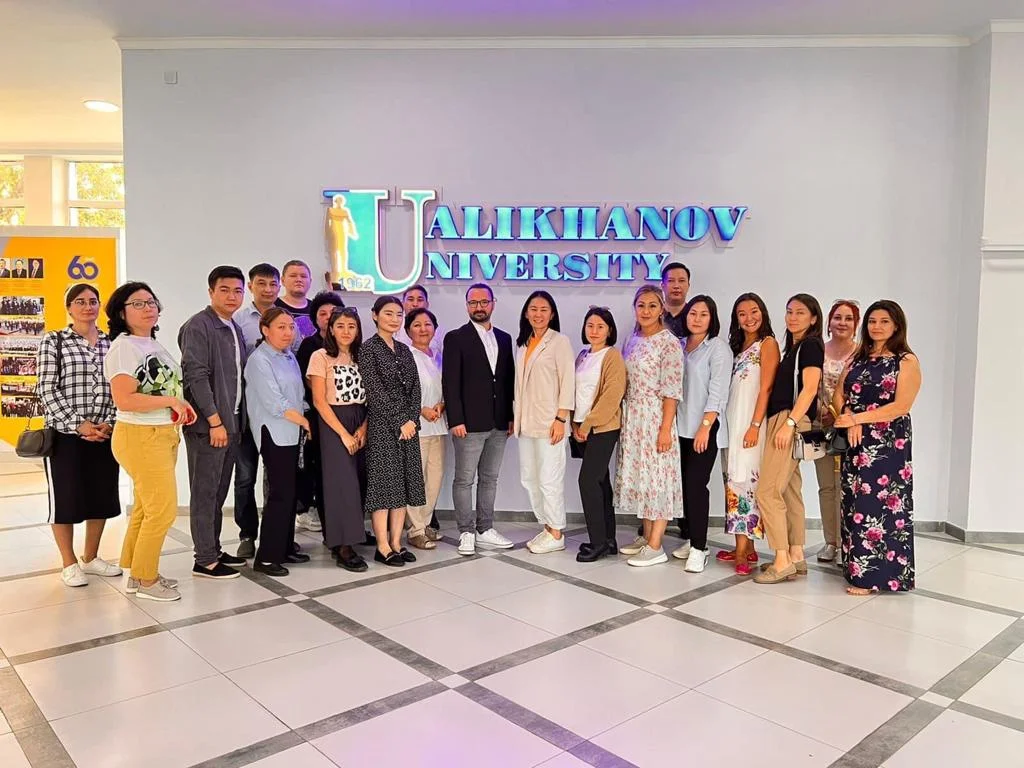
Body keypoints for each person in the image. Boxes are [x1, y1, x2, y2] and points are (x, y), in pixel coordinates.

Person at [105, 282, 196, 602]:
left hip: (160, 433)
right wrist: (171, 402)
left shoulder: (149, 343)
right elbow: (125, 399)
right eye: (138, 303)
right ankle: (146, 580)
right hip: (140, 436)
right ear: (121, 313)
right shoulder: (124, 347)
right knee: (163, 511)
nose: (148, 308)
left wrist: (179, 404)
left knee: (147, 508)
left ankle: (137, 572)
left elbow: (161, 389)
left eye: (151, 302)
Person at [37, 284, 121, 588]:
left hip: (105, 432)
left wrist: (108, 422)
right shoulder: (54, 341)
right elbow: (46, 389)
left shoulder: (112, 343)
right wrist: (79, 424)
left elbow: (121, 386)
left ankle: (91, 557)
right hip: (65, 434)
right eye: (80, 301)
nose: (88, 306)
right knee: (66, 499)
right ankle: (69, 563)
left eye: (93, 301)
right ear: (69, 307)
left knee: (102, 496)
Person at [833, 300, 920, 595]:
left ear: (896, 326)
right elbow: (838, 394)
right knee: (854, 503)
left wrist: (857, 418)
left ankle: (876, 578)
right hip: (856, 442)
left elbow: (901, 406)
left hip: (888, 443)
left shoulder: (905, 361)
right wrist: (849, 416)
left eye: (884, 321)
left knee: (880, 506)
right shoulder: (858, 357)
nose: (877, 326)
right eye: (872, 321)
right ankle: (856, 570)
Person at [178, 266, 249, 580]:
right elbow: (195, 376)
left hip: (231, 423)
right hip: (210, 426)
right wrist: (214, 421)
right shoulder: (199, 325)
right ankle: (204, 560)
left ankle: (214, 549)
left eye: (237, 290)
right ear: (211, 292)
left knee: (218, 492)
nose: (232, 296)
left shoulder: (232, 326)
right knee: (205, 493)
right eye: (225, 290)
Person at [753, 294, 824, 585]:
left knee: (767, 492)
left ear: (814, 318)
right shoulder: (795, 347)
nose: (793, 317)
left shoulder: (810, 345)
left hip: (788, 420)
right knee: (790, 491)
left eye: (800, 312)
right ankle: (796, 555)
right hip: (786, 420)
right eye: (789, 312)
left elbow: (810, 388)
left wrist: (790, 423)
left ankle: (781, 561)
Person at [442, 283, 516, 556]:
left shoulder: (505, 338)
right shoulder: (456, 338)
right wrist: (455, 419)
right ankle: (466, 532)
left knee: (490, 478)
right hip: (469, 424)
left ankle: (485, 529)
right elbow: (450, 381)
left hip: (499, 423)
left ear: (493, 304)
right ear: (466, 306)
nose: (479, 307)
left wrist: (510, 417)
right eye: (473, 303)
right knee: (464, 479)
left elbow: (507, 381)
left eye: (484, 302)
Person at [617, 286, 685, 565]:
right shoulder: (632, 339)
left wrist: (665, 429)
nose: (646, 311)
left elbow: (672, 390)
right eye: (641, 305)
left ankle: (656, 546)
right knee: (642, 478)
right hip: (634, 418)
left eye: (652, 306)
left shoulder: (668, 343)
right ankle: (646, 537)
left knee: (658, 479)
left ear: (662, 309)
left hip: (656, 417)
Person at [359, 296, 426, 567]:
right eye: (388, 313)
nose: (395, 319)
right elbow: (374, 391)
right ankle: (382, 546)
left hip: (408, 428)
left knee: (403, 485)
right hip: (382, 426)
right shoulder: (368, 349)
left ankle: (397, 542)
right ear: (375, 315)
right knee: (384, 487)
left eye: (399, 314)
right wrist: (400, 421)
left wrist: (411, 421)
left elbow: (416, 388)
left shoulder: (404, 349)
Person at [244, 308, 311, 577]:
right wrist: (304, 421)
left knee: (290, 492)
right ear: (265, 330)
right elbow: (275, 403)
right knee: (280, 494)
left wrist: (305, 416)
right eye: (281, 327)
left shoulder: (288, 356)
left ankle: (285, 547)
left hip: (292, 432)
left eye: (290, 327)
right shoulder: (259, 360)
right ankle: (267, 557)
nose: (287, 332)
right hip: (274, 432)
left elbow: (298, 394)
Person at [719, 293, 779, 575]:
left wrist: (755, 426)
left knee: (745, 483)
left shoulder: (767, 344)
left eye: (754, 311)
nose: (749, 318)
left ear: (763, 313)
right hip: (732, 425)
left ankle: (743, 550)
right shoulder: (737, 347)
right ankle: (745, 546)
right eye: (742, 313)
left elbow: (766, 388)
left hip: (750, 425)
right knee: (732, 480)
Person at [674, 295, 733, 573]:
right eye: (692, 313)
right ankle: (690, 538)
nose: (696, 319)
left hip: (704, 429)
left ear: (712, 319)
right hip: (678, 427)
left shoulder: (717, 348)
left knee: (696, 486)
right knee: (683, 486)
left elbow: (718, 392)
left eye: (703, 314)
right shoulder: (679, 345)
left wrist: (705, 427)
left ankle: (700, 548)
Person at [308, 307, 369, 572]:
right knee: (342, 484)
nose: (346, 331)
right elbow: (319, 401)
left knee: (360, 480)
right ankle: (343, 546)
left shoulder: (362, 356)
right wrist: (343, 433)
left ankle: (352, 535)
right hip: (333, 421)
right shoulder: (320, 356)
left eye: (351, 326)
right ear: (331, 329)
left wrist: (364, 428)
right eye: (341, 326)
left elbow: (372, 397)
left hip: (361, 418)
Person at [514, 290, 575, 554]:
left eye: (544, 309)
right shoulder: (523, 343)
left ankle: (557, 531)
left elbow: (568, 381)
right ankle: (547, 526)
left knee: (550, 479)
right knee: (530, 478)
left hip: (551, 423)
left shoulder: (560, 342)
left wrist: (561, 418)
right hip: (525, 423)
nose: (538, 314)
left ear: (552, 314)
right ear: (526, 313)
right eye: (533, 309)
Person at [233, 263, 281, 558]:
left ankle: (274, 535)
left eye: (273, 284)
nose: (267, 289)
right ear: (251, 286)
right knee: (245, 476)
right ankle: (247, 534)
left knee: (276, 477)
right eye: (261, 283)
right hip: (247, 410)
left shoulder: (285, 320)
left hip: (278, 412)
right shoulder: (237, 321)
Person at [572, 307, 627, 563]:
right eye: (590, 325)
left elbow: (612, 395)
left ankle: (597, 543)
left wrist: (588, 425)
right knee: (600, 481)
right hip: (582, 427)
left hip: (602, 428)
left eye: (600, 326)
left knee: (587, 481)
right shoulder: (583, 355)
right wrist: (575, 424)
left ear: (609, 330)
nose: (594, 331)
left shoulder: (612, 356)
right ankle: (608, 539)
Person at [294, 290, 346, 536]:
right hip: (317, 414)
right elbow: (308, 384)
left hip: (348, 417)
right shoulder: (310, 346)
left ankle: (346, 522)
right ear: (315, 319)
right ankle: (318, 516)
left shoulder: (350, 346)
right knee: (318, 467)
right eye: (322, 313)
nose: (328, 317)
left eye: (332, 312)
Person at [815, 300, 859, 564]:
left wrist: (842, 414)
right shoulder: (819, 350)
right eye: (837, 317)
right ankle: (830, 542)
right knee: (826, 487)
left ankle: (848, 543)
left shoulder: (861, 354)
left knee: (848, 486)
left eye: (849, 318)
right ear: (829, 322)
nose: (842, 323)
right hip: (821, 426)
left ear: (856, 324)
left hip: (850, 428)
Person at [402, 307, 448, 550]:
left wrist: (442, 404)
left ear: (435, 329)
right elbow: (400, 392)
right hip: (416, 427)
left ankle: (426, 523)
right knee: (416, 480)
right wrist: (421, 410)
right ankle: (415, 529)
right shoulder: (405, 356)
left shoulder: (438, 356)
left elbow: (447, 387)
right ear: (408, 330)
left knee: (434, 480)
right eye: (417, 325)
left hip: (438, 425)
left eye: (428, 324)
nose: (423, 329)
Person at [396, 284, 447, 360]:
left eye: (420, 300)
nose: (415, 304)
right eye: (410, 299)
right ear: (402, 304)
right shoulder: (394, 328)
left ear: (427, 304)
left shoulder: (438, 331)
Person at [275, 260, 317, 349]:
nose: (299, 280)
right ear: (282, 280)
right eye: (293, 276)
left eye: (303, 276)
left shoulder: (317, 308)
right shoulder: (273, 307)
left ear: (310, 281)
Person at [661, 262, 691, 339]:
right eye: (671, 280)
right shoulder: (653, 315)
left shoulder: (694, 315)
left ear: (688, 286)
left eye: (681, 280)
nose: (676, 286)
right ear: (662, 286)